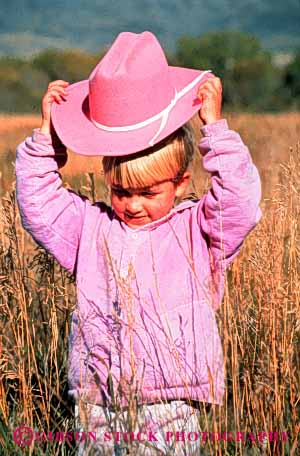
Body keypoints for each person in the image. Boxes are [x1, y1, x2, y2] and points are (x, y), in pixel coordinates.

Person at [16, 31, 262, 455]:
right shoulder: (91, 227)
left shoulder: (197, 232)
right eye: (121, 191)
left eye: (148, 193)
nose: (132, 205)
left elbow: (241, 201)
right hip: (96, 404)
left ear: (181, 181)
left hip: (169, 405)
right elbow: (39, 204)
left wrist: (215, 130)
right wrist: (47, 137)